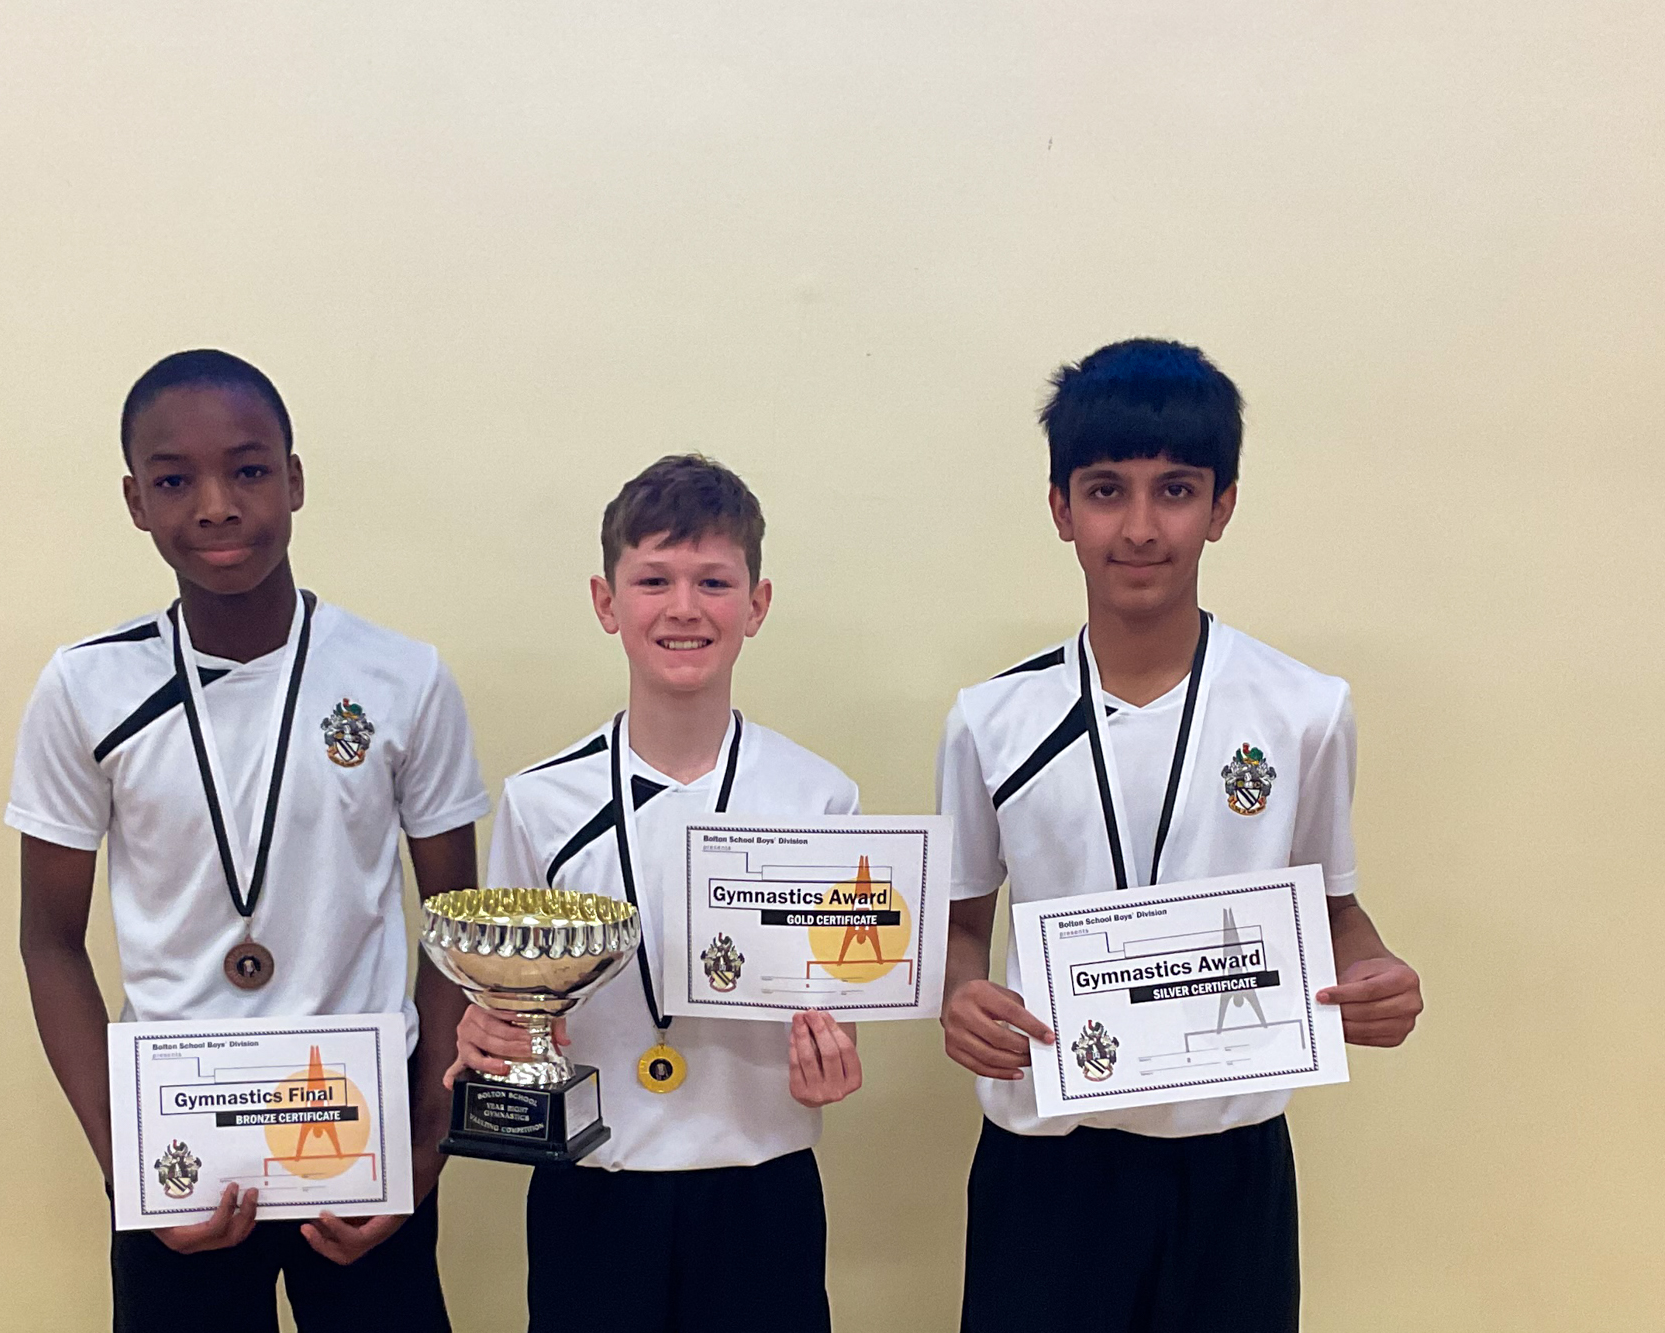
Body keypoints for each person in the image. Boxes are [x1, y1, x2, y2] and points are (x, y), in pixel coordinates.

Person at [937, 339, 1425, 1333]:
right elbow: (958, 924)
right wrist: (958, 997)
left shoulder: (1303, 710)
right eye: (1107, 490)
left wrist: (1375, 976)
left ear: (1221, 506)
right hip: (1048, 1163)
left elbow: (1332, 909)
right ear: (1060, 507)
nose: (1140, 526)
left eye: (1175, 490)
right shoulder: (988, 721)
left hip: (1227, 1167)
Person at [8, 349, 488, 1332]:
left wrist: (426, 1145)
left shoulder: (402, 678)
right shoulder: (84, 688)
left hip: (361, 1128)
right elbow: (47, 939)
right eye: (175, 479)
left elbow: (455, 923)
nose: (216, 505)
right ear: (136, 501)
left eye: (249, 468)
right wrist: (131, 1165)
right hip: (179, 1133)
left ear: (294, 479)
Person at [448, 454, 863, 1333]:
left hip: (761, 1192)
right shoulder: (540, 799)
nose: (684, 607)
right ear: (607, 602)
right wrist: (495, 1032)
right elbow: (510, 1003)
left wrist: (832, 1055)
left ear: (756, 604)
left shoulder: (820, 799)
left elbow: (836, 996)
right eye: (654, 580)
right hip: (592, 1192)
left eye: (714, 580)